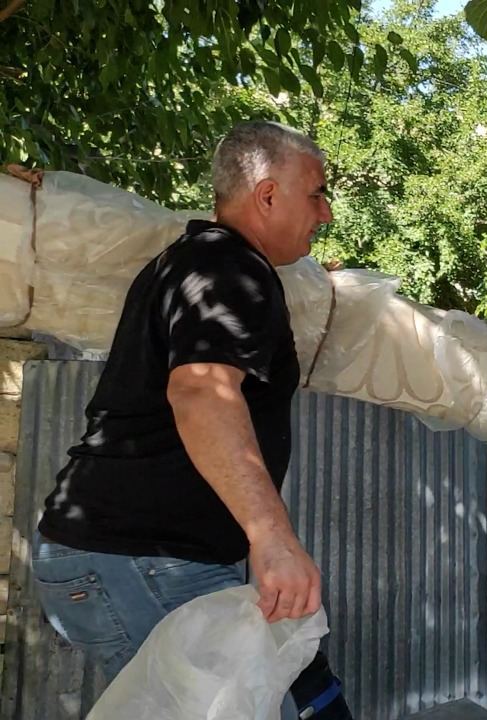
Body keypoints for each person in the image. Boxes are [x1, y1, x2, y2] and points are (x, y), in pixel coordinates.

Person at [31, 120, 345, 717]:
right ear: (268, 194)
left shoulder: (193, 262)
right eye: (316, 193)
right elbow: (200, 392)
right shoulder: (230, 270)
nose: (325, 213)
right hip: (139, 558)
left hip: (131, 555)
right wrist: (273, 541)